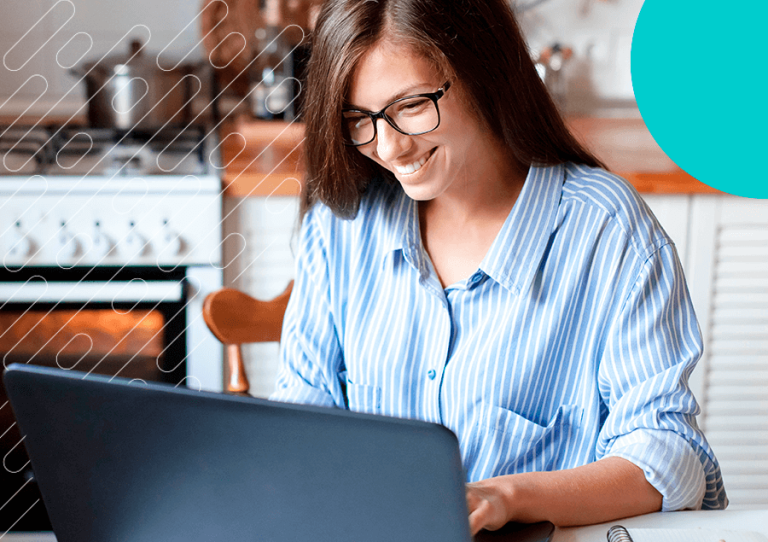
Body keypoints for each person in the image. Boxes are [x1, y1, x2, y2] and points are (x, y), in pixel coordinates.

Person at [267, 0, 727, 534]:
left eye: (412, 105)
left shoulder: (605, 230)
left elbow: (666, 459)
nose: (389, 146)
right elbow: (299, 425)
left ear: (483, 72)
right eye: (358, 119)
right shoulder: (342, 225)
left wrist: (505, 497)